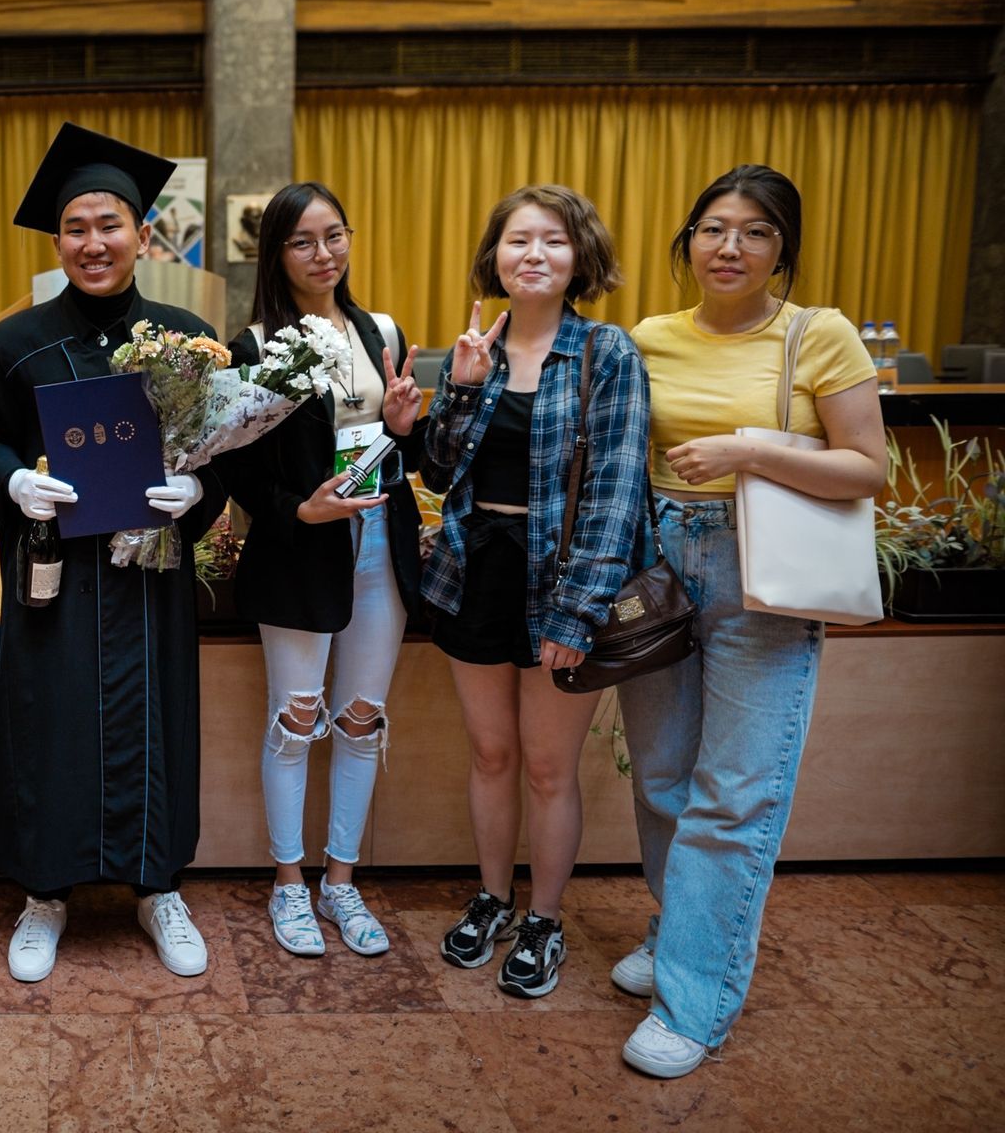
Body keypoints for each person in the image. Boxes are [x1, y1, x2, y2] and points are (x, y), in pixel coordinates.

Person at [615, 166, 882, 1078]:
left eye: (756, 231)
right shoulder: (650, 337)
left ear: (782, 250)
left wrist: (748, 452)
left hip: (760, 572)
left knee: (735, 793)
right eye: (714, 229)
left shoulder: (819, 334)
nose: (731, 247)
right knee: (661, 776)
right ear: (688, 241)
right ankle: (679, 930)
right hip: (660, 564)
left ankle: (693, 1001)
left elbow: (868, 467)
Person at [0, 123, 228, 983]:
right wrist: (12, 481)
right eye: (75, 228)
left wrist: (198, 490)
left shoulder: (189, 341)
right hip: (55, 578)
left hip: (150, 580)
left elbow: (223, 452)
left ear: (142, 236)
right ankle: (45, 896)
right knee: (48, 724)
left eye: (109, 225)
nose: (93, 243)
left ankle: (159, 890)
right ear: (57, 242)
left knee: (157, 720)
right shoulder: (15, 344)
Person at [419, 184, 649, 999]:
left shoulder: (605, 353)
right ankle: (493, 898)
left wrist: (578, 614)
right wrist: (459, 388)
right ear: (496, 256)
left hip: (560, 581)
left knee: (550, 767)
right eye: (518, 240)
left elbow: (616, 497)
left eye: (553, 240)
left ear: (580, 257)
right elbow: (439, 472)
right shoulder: (474, 348)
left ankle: (544, 919)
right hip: (475, 570)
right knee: (491, 754)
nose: (534, 254)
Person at [212, 182, 426, 959]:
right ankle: (289, 884)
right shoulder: (254, 348)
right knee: (296, 718)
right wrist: (297, 511)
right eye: (302, 241)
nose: (323, 253)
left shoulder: (381, 331)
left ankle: (341, 881)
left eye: (334, 235)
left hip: (379, 545)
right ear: (276, 254)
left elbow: (400, 446)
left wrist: (402, 426)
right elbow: (235, 468)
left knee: (362, 718)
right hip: (300, 548)